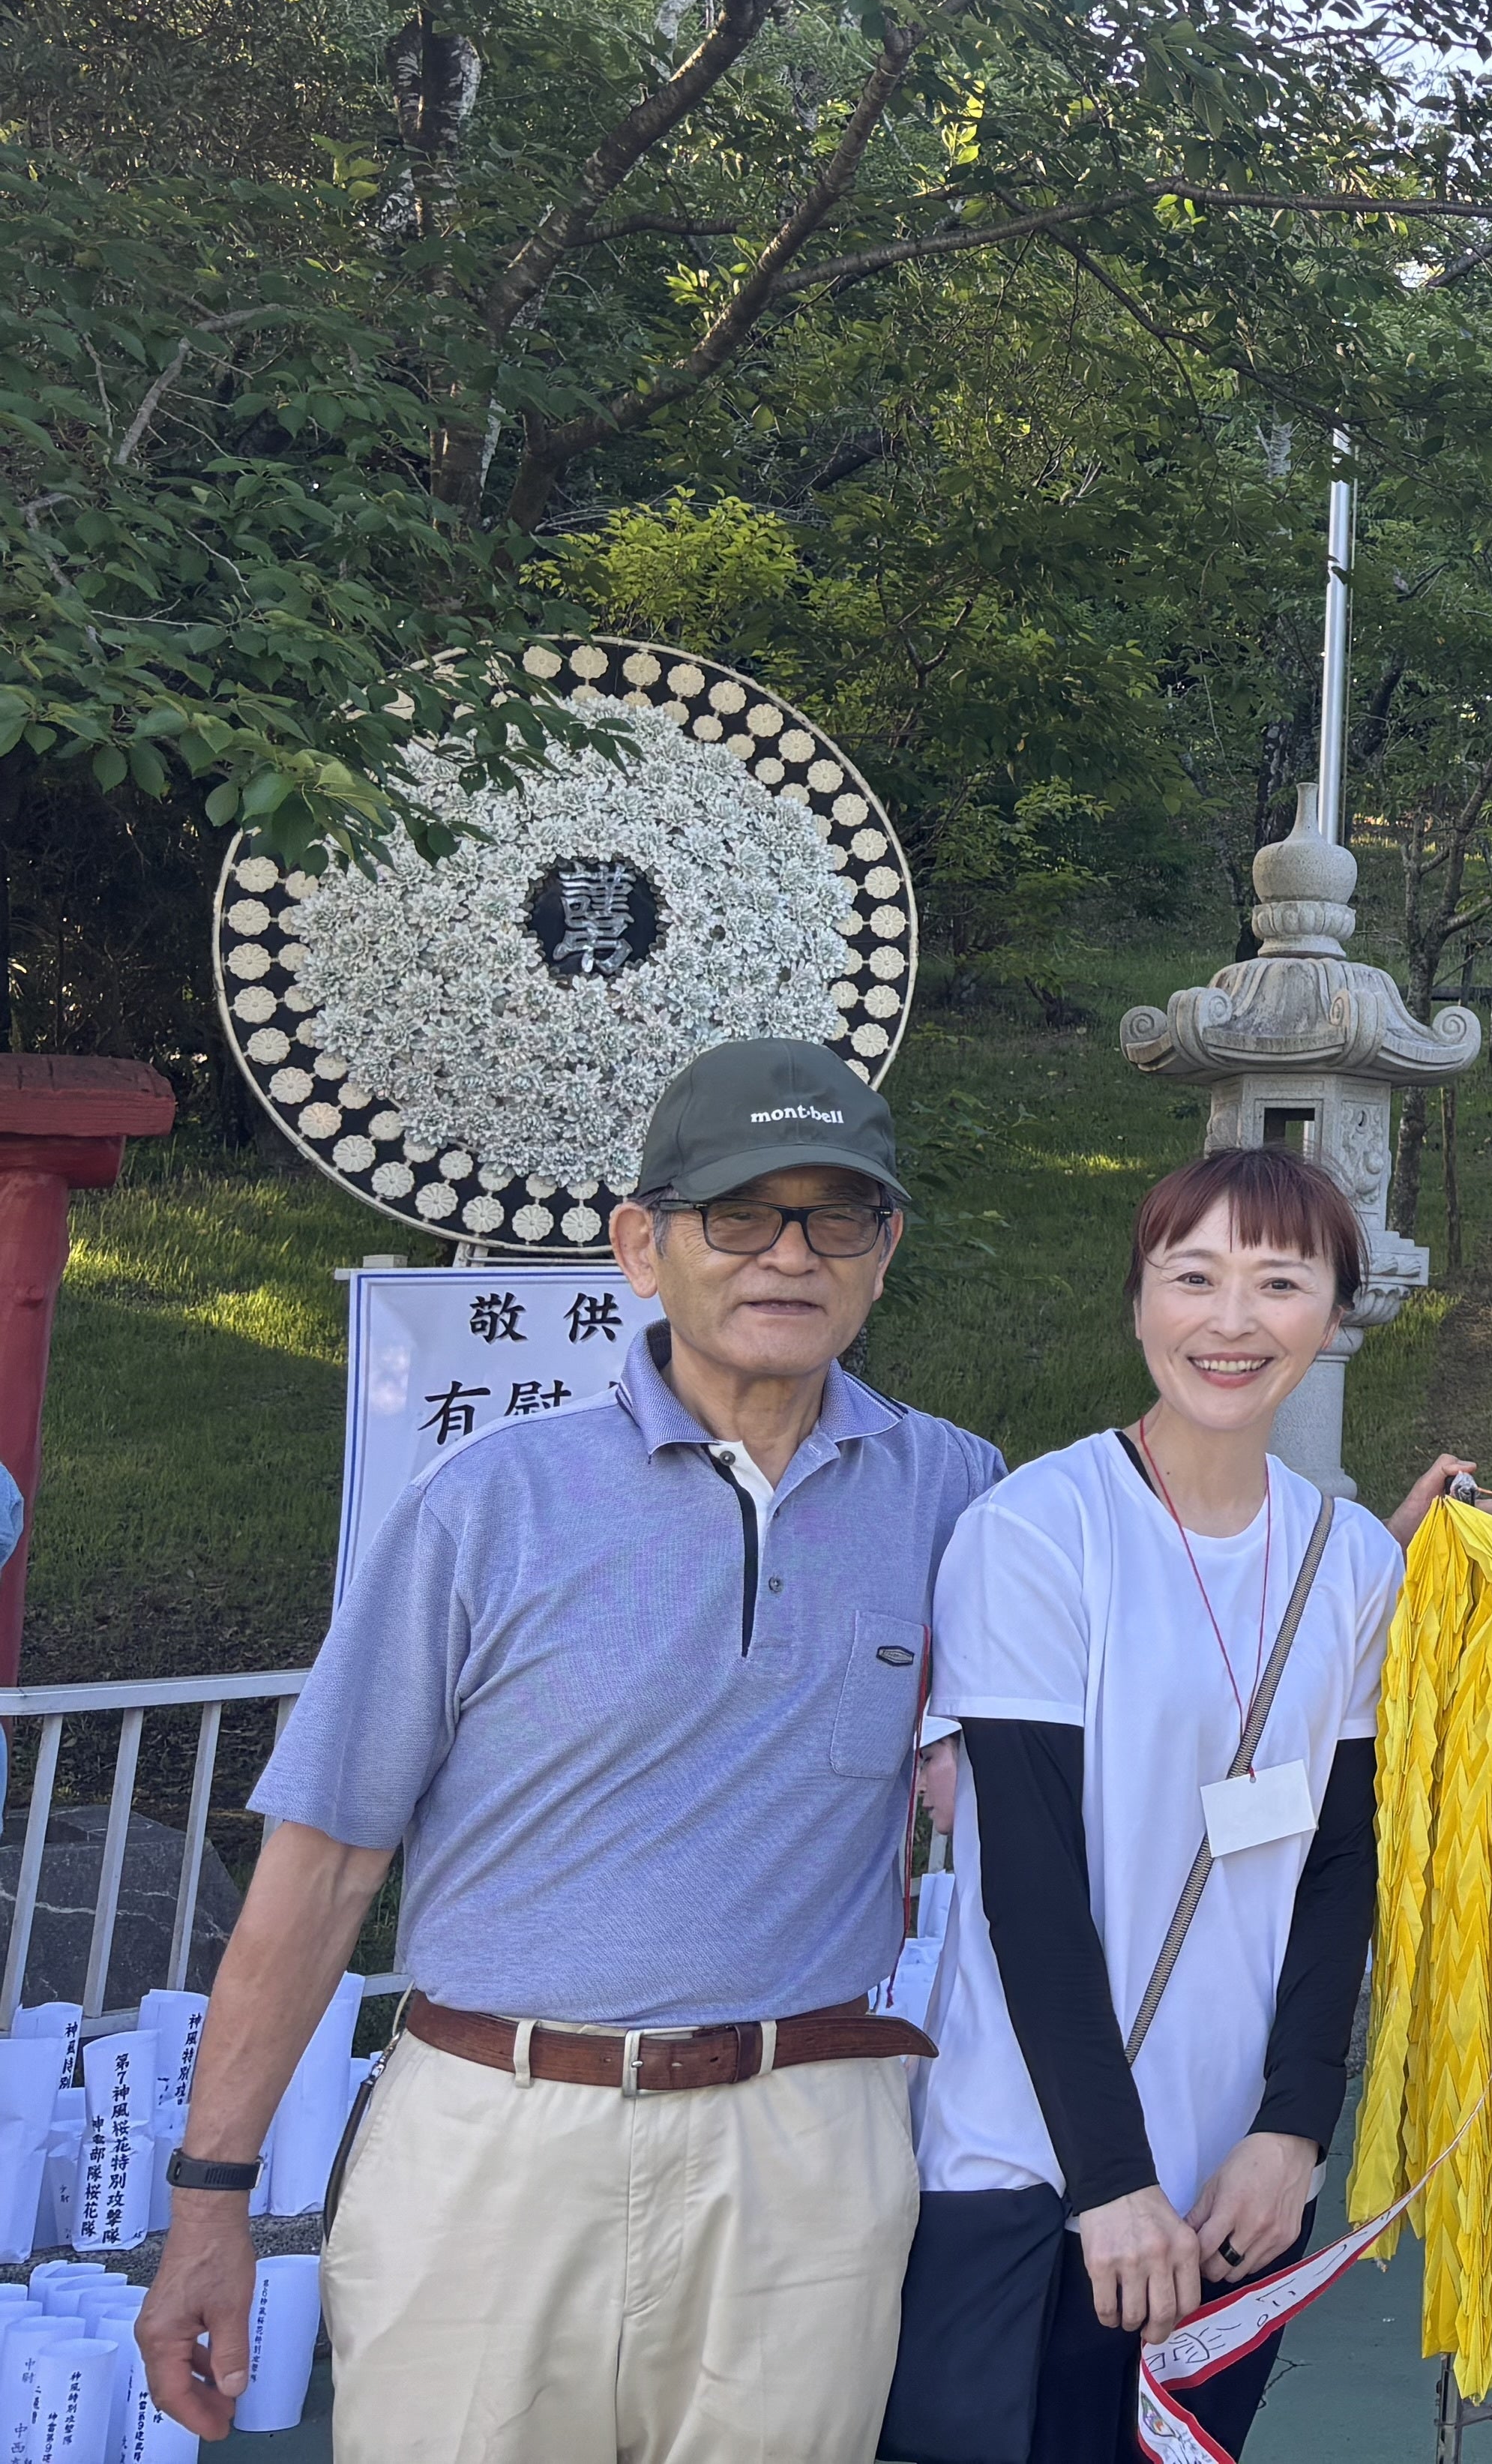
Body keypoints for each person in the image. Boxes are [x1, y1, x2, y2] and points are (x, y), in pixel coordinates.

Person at [139, 1037, 1003, 2457]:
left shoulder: (959, 1494)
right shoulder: (485, 1503)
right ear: (641, 1246)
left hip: (809, 2153)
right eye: (739, 1214)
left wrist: (1348, 1578)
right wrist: (209, 2199)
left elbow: (1117, 1686)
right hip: (494, 2137)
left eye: (837, 1217)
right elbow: (325, 1866)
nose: (791, 1255)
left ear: (884, 1251)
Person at [895, 1147, 1403, 2464]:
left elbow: (1340, 1865)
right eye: (1193, 1278)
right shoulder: (1037, 1532)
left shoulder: (1353, 1560)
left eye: (1280, 1282)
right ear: (1137, 1305)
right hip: (1038, 2169)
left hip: (1240, 2185)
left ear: (1335, 1316)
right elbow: (1029, 1881)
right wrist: (1109, 2180)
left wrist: (1294, 2128)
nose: (1233, 1321)